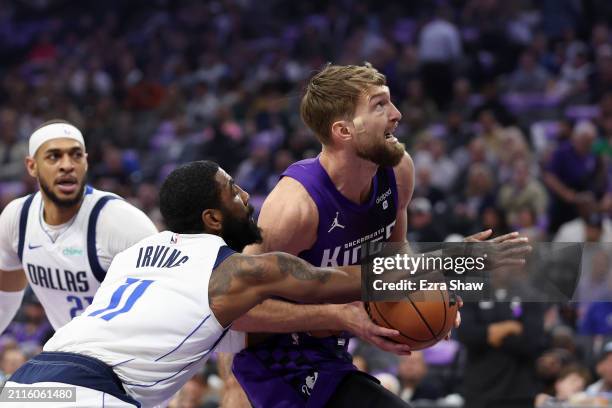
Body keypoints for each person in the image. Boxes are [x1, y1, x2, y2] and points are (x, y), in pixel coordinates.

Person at [223, 63, 524, 408]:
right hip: (277, 362)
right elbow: (233, 308)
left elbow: (395, 261)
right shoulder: (295, 208)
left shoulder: (398, 172)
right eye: (379, 105)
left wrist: (430, 290)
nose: (396, 115)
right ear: (343, 130)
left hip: (331, 351)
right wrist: (335, 315)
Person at [4, 160, 368, 407]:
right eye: (233, 190)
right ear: (212, 218)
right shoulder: (235, 272)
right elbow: (340, 281)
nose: (246, 196)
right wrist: (425, 268)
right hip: (91, 391)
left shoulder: (137, 251)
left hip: (25, 382)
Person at [0, 119, 157, 332]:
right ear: (32, 166)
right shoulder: (17, 217)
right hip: (73, 352)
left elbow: (166, 302)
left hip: (129, 354)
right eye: (54, 156)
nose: (67, 165)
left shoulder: (122, 222)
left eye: (75, 155)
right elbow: (4, 299)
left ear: (85, 162)